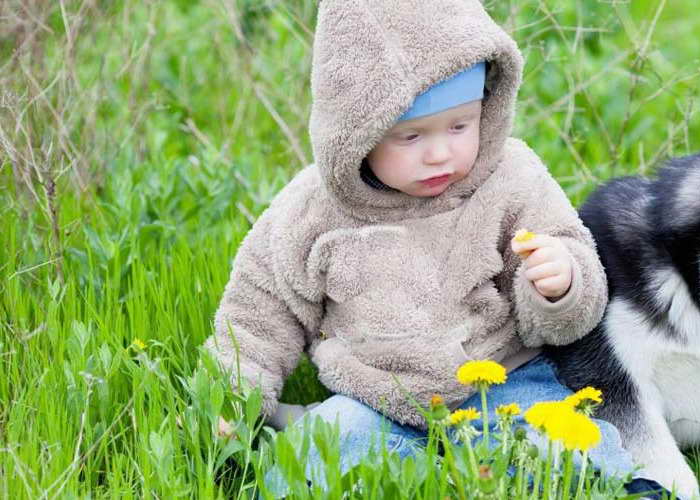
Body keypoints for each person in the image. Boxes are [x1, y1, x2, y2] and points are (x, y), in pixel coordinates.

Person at [204, 0, 669, 497]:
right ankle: (355, 444)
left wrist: (562, 285)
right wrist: (235, 396)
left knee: (568, 446)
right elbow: (258, 315)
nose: (440, 153)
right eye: (410, 136)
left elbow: (571, 281)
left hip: (506, 385)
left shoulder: (511, 179)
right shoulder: (311, 211)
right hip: (378, 396)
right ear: (356, 135)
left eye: (459, 126)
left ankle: (585, 483)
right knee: (327, 450)